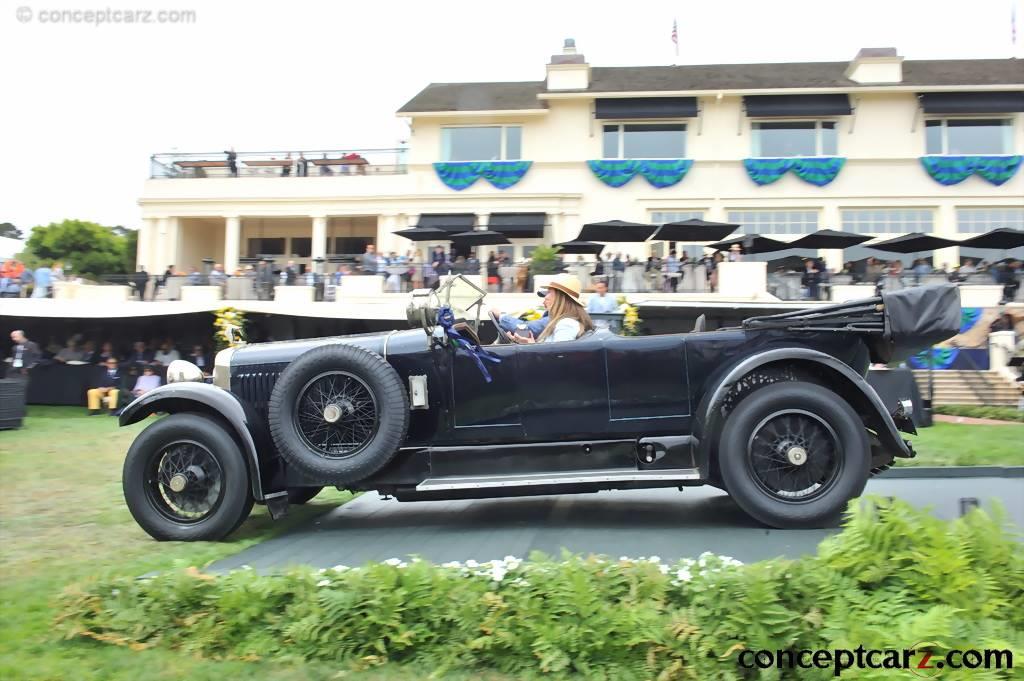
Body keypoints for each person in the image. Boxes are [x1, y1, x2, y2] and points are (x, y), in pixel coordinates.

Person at [513, 274, 594, 344]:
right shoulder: (563, 322)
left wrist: (530, 344)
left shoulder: (566, 324)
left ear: (560, 297)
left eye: (549, 292)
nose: (546, 297)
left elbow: (557, 357)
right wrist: (529, 343)